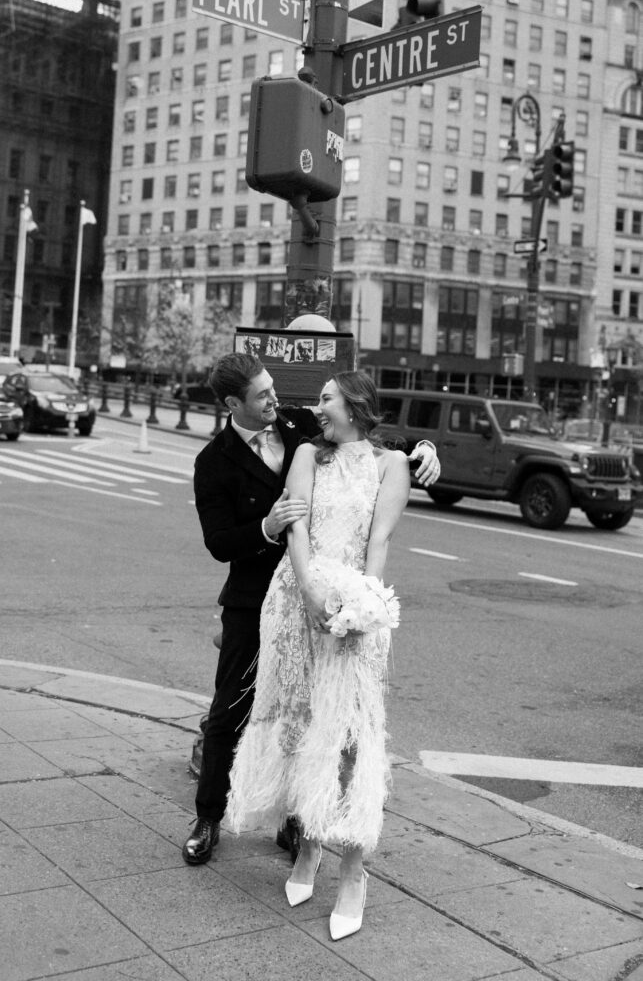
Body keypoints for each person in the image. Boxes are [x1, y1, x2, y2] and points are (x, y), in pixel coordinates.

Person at [182, 354, 440, 868]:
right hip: (258, 597)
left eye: (273, 389)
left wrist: (425, 447)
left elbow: (365, 436)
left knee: (309, 711)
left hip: (326, 596)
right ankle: (208, 818)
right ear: (235, 404)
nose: (276, 401)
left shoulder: (299, 423)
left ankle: (294, 820)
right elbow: (218, 542)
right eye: (262, 395)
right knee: (231, 709)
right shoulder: (213, 461)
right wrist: (267, 528)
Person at [226, 371, 413, 941]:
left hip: (354, 606)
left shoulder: (391, 465)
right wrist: (308, 590)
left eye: (327, 398)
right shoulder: (309, 453)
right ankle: (308, 849)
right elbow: (297, 529)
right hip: (293, 599)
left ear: (354, 404)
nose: (318, 407)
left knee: (353, 738)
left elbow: (378, 542)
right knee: (306, 726)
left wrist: (361, 606)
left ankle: (353, 871)